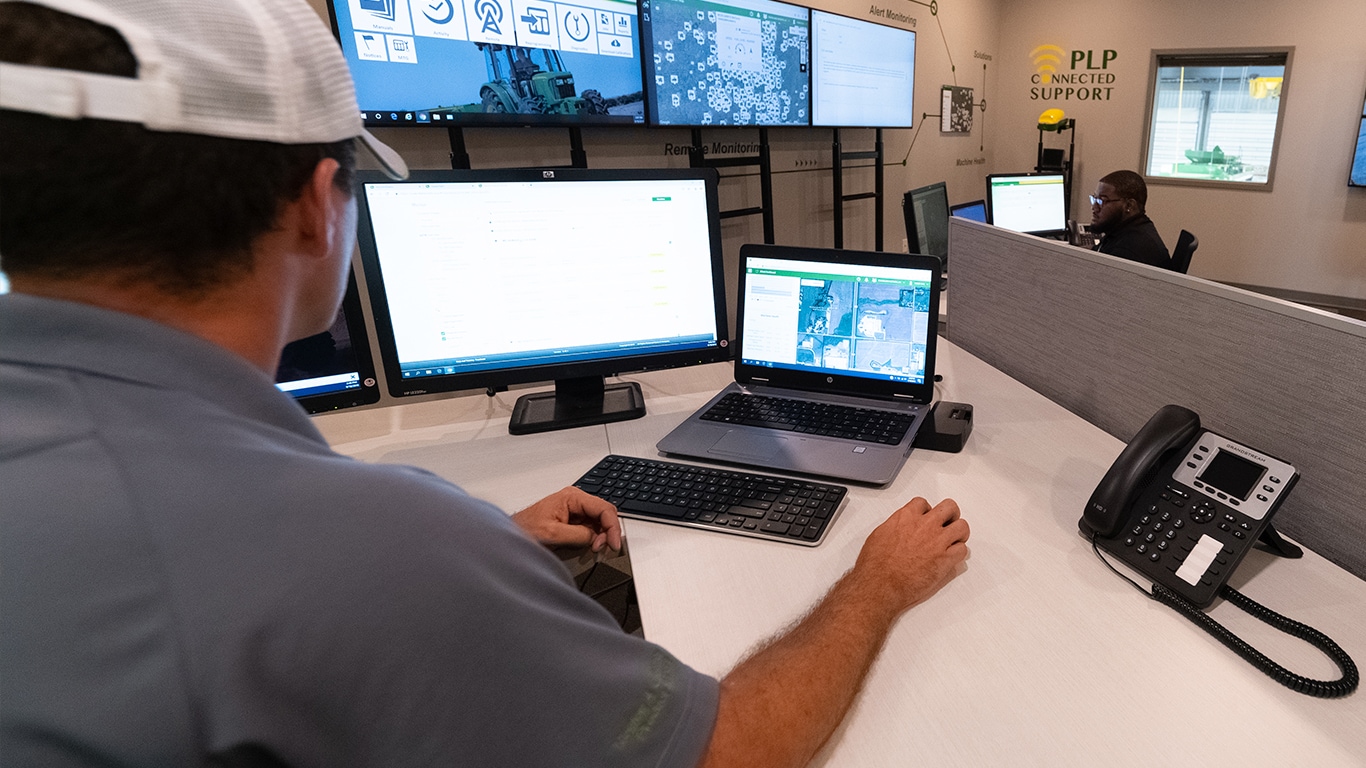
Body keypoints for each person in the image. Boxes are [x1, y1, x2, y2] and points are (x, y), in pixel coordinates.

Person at [0, 0, 971, 765]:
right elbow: (725, 755)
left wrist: (480, 549)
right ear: (316, 210)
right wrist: (874, 587)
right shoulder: (369, 543)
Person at [1088, 170, 1171, 268]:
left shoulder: (1128, 251)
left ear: (1129, 205)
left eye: (1102, 200)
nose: (1094, 208)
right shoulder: (1126, 230)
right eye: (1094, 198)